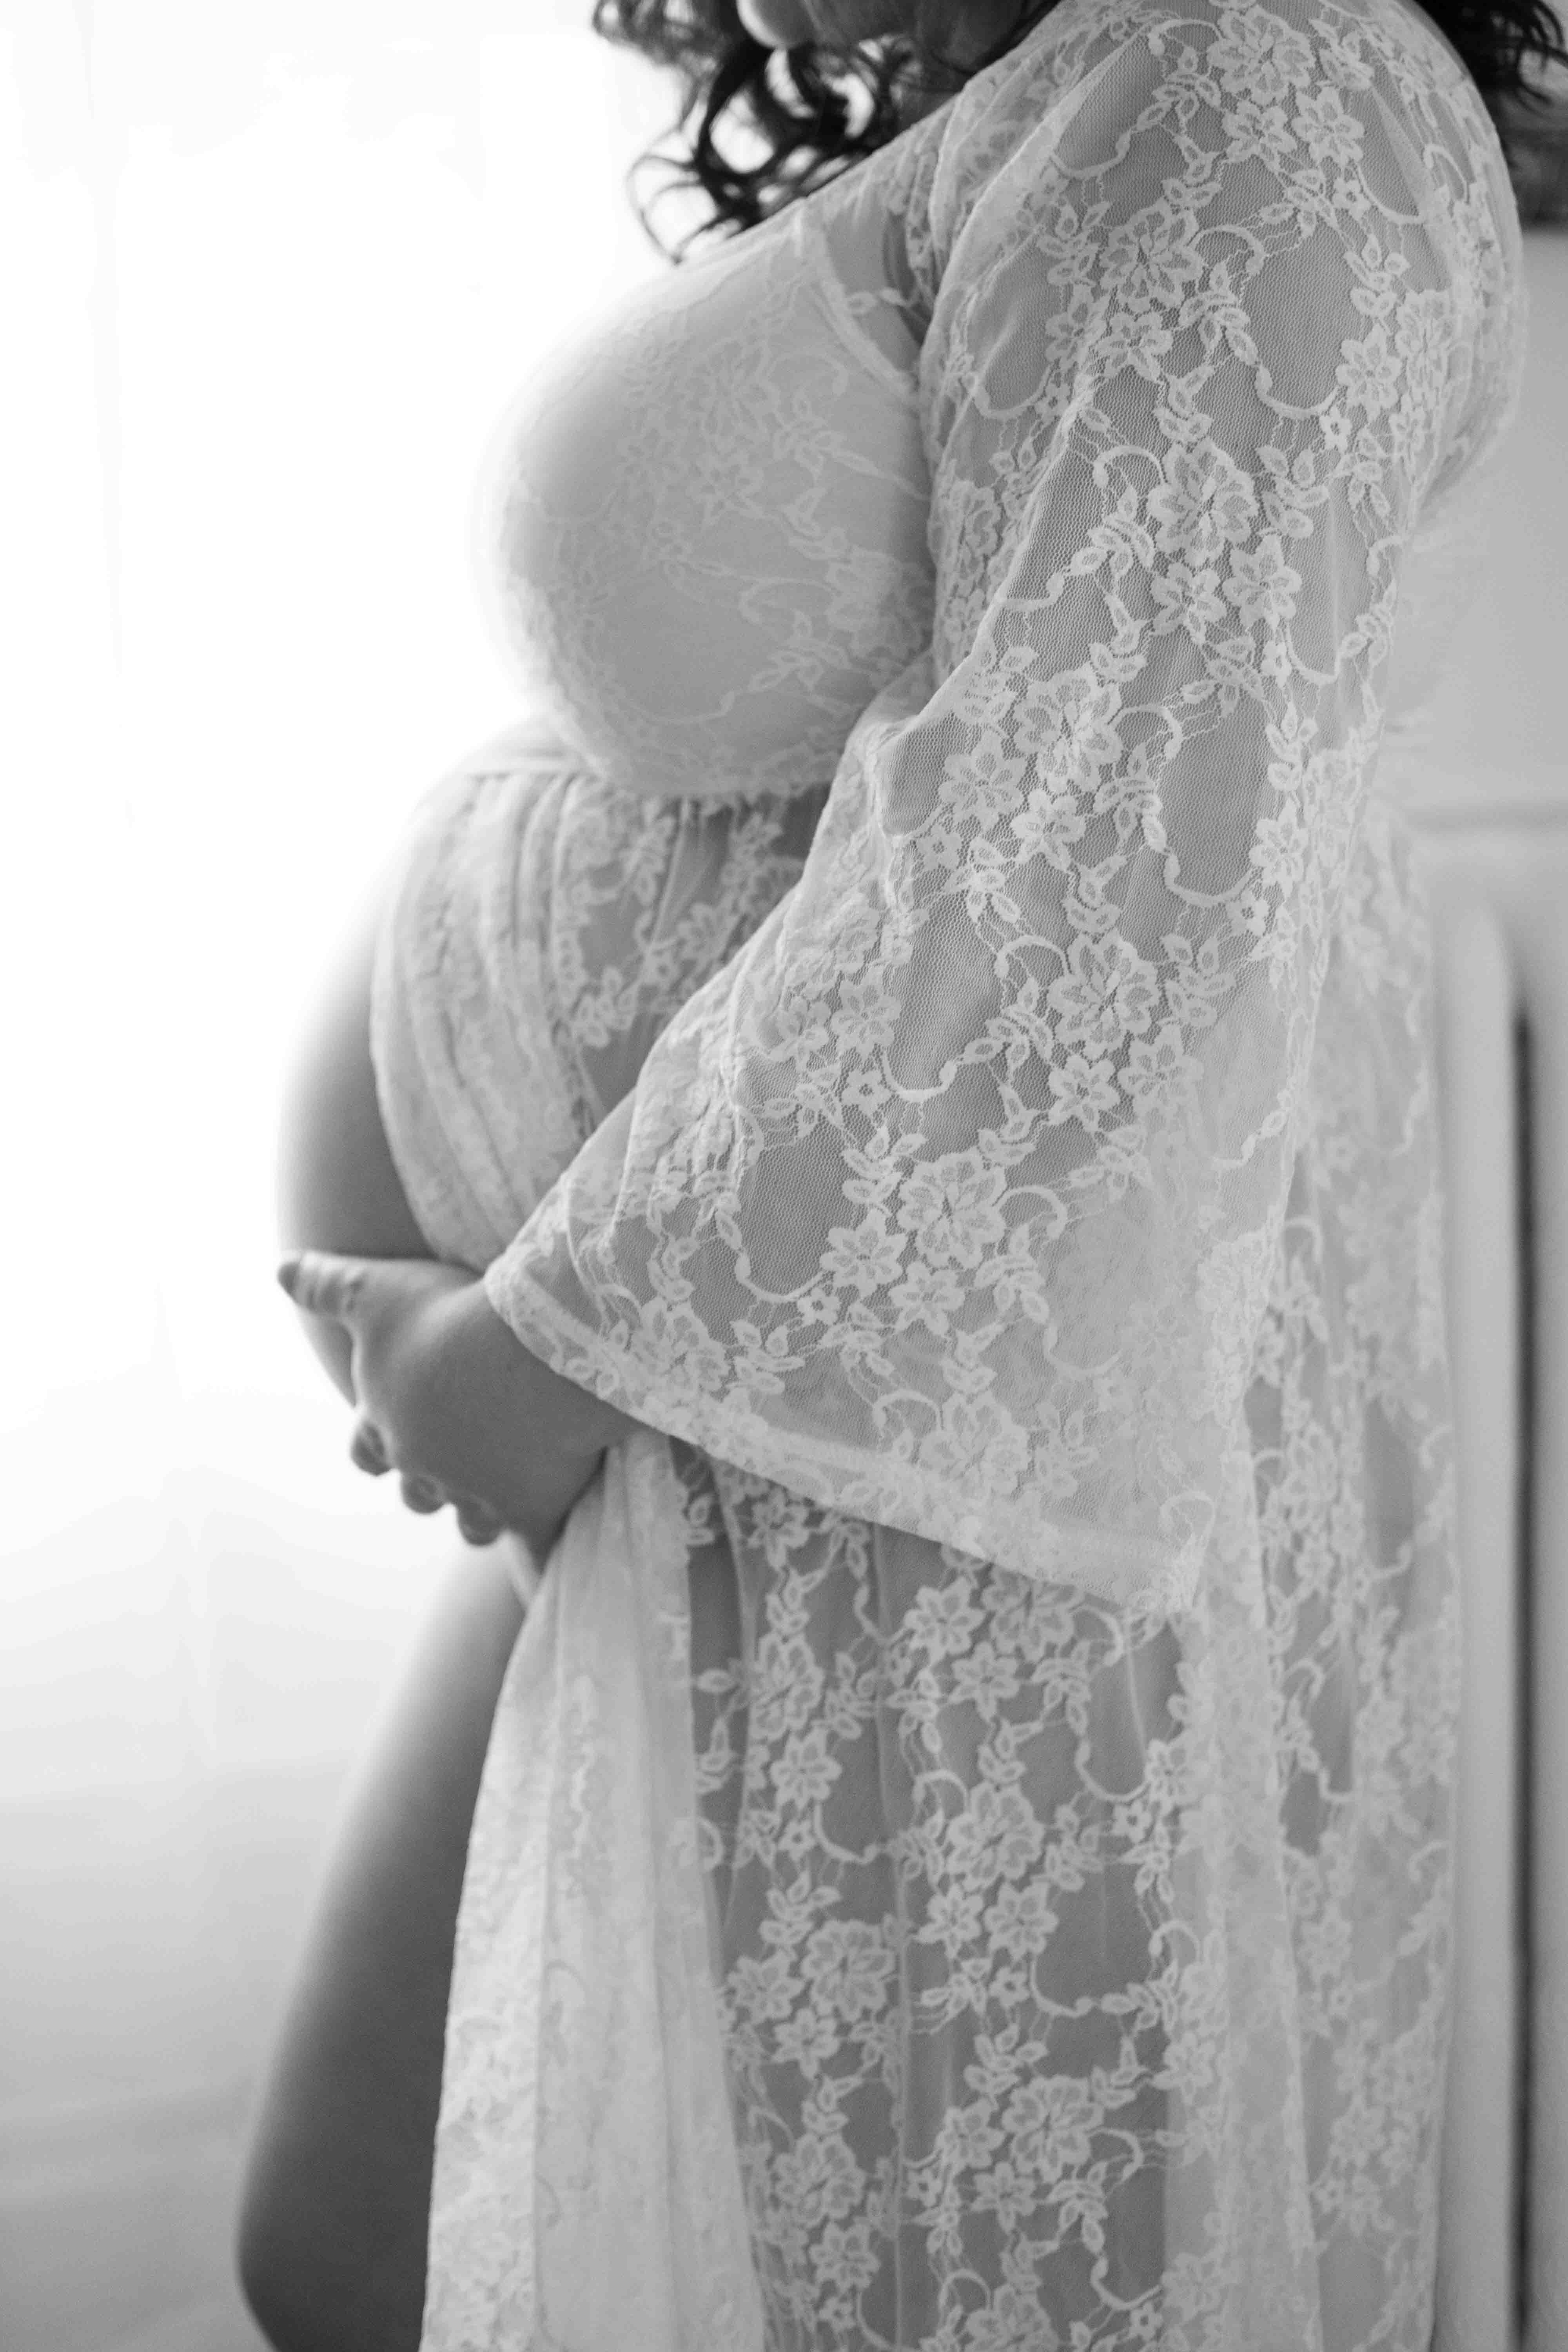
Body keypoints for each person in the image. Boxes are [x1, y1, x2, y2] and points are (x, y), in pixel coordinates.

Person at [235, 0, 1559, 2343]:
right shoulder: (1079, 93)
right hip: (723, 1434)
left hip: (848, 1459)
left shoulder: (1252, 79)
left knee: (409, 2265)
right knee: (388, 2255)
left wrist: (534, 1355)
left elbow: (1086, 876)